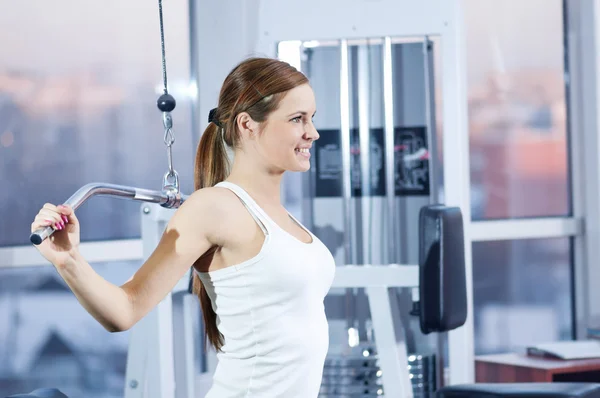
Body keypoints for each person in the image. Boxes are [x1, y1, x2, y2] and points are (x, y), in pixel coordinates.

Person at [30, 57, 336, 397]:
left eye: (312, 118)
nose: (313, 132)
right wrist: (68, 261)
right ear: (247, 124)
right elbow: (125, 310)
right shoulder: (212, 207)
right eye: (298, 119)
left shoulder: (281, 216)